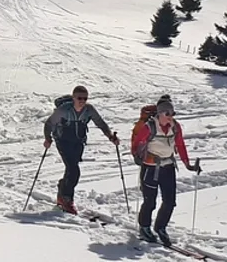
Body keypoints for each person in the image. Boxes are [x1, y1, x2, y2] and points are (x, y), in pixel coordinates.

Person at [131, 97, 200, 245]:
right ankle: (144, 228)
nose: (171, 116)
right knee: (150, 201)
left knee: (170, 201)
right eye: (167, 113)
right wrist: (137, 155)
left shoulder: (175, 127)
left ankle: (160, 227)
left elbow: (180, 145)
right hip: (150, 167)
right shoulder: (149, 127)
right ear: (160, 113)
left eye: (172, 113)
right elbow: (137, 144)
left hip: (168, 167)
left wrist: (188, 165)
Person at [43, 84, 120, 214]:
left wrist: (111, 137)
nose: (82, 101)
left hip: (78, 142)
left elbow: (100, 123)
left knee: (71, 169)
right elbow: (49, 124)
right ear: (73, 98)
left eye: (85, 98)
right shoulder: (64, 110)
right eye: (79, 98)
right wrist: (48, 138)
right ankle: (67, 200)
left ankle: (62, 190)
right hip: (63, 141)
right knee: (74, 170)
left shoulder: (89, 110)